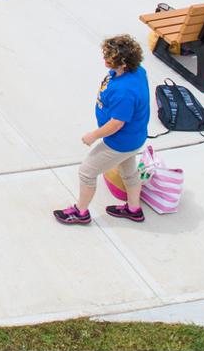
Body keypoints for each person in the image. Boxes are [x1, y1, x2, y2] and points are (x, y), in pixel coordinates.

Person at [54, 35, 150, 226]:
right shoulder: (137, 72)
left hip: (119, 142)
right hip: (134, 138)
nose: (104, 59)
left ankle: (80, 212)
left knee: (86, 173)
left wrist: (93, 136)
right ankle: (134, 209)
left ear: (122, 62)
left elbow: (116, 124)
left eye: (108, 57)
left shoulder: (125, 92)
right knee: (129, 174)